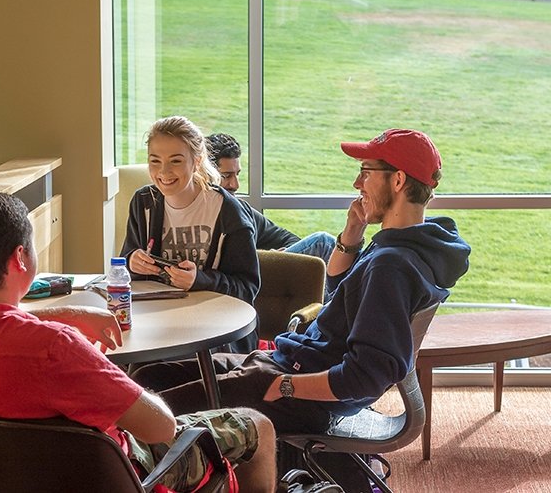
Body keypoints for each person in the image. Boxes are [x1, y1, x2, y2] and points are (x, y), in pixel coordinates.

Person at [0, 191, 277, 493]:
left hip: (5, 480)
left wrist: (64, 313)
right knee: (256, 426)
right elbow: (161, 428)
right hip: (124, 474)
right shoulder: (55, 348)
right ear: (21, 257)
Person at [131, 129, 472, 436]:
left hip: (300, 388)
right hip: (289, 362)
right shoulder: (410, 244)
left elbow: (369, 373)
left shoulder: (392, 265)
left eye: (366, 172)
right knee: (149, 379)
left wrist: (286, 387)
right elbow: (342, 291)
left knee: (139, 412)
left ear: (398, 181)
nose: (357, 183)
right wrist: (351, 238)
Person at [121, 116, 260, 353]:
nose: (163, 172)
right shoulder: (142, 203)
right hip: (157, 326)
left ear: (196, 162)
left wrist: (200, 280)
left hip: (217, 333)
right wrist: (132, 261)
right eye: (155, 161)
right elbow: (122, 268)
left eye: (175, 161)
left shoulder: (228, 212)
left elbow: (247, 288)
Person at [206, 133, 335, 265]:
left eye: (237, 174)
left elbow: (290, 239)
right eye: (226, 176)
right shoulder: (198, 216)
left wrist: (272, 257)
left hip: (257, 274)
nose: (235, 185)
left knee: (324, 244)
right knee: (323, 242)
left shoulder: (241, 210)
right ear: (205, 174)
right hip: (242, 279)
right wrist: (265, 258)